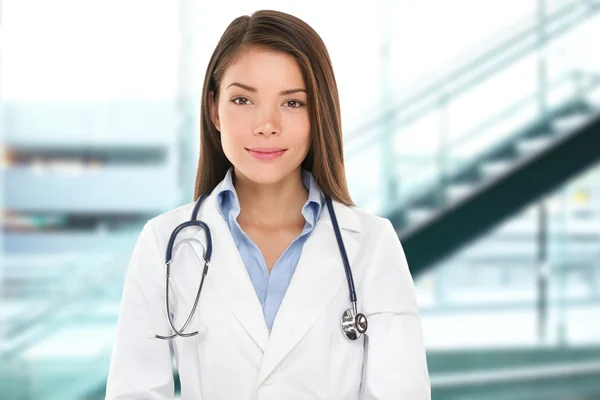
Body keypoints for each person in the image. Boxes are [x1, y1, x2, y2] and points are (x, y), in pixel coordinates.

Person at [105, 9, 430, 400]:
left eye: (292, 103)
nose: (267, 124)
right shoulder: (164, 244)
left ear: (318, 113)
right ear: (214, 109)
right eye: (243, 99)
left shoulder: (374, 245)